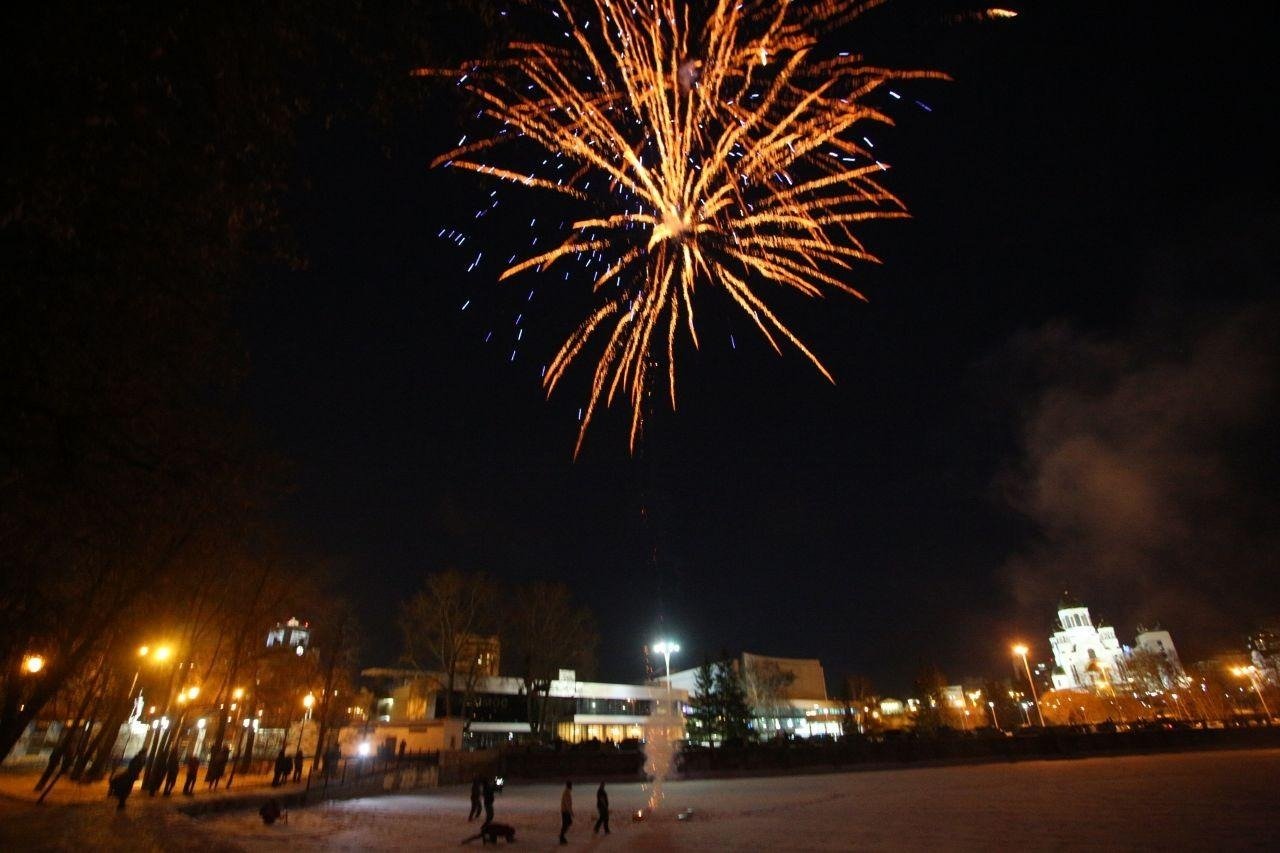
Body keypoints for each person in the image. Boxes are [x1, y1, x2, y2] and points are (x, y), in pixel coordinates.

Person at [559, 780, 573, 845]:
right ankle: (561, 836)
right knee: (566, 823)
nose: (572, 786)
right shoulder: (566, 792)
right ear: (569, 785)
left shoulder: (567, 792)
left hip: (566, 811)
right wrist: (570, 812)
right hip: (565, 811)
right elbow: (567, 803)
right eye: (571, 785)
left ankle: (562, 835)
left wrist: (571, 810)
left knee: (568, 823)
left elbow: (568, 803)